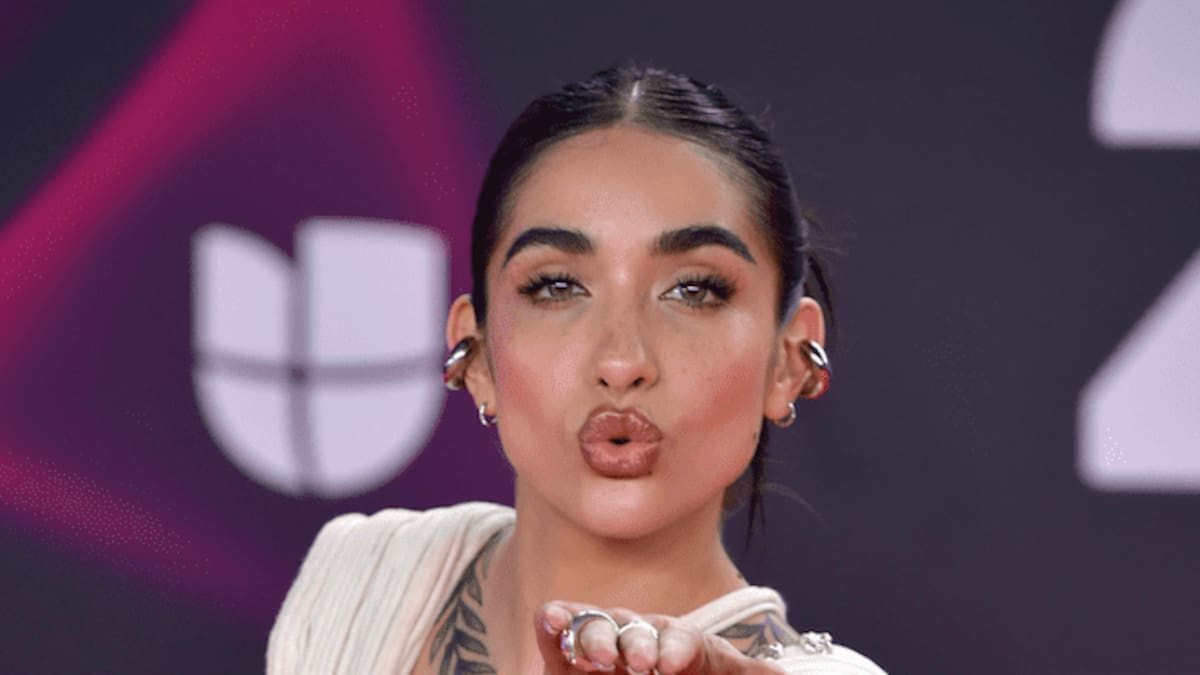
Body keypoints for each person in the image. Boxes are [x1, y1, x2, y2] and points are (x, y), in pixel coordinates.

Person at [268, 63, 885, 675]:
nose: (622, 362)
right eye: (557, 286)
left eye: (694, 290)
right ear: (475, 355)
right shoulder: (359, 575)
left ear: (790, 361)